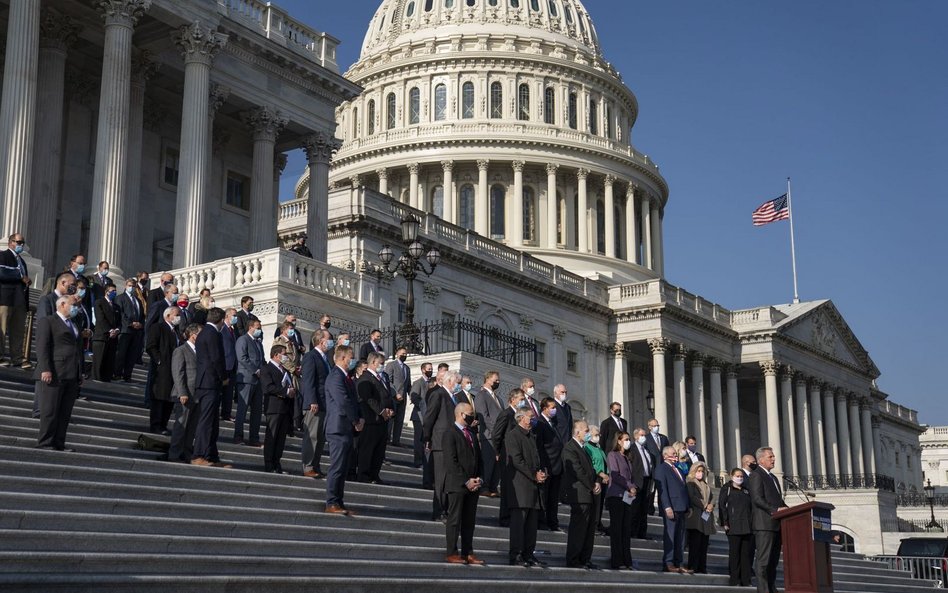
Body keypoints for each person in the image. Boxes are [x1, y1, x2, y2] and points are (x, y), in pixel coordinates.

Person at [34, 296, 82, 451]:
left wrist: (79, 373)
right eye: (74, 305)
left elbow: (76, 350)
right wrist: (45, 369)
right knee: (50, 410)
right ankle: (45, 442)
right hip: (54, 372)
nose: (77, 308)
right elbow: (42, 347)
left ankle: (59, 442)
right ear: (62, 304)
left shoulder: (73, 324)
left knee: (64, 412)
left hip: (71, 374)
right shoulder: (48, 321)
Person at [442, 401, 485, 565]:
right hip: (458, 484)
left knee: (469, 521)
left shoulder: (472, 434)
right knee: (454, 520)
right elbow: (451, 461)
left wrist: (479, 478)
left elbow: (478, 458)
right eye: (469, 413)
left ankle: (468, 552)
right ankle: (452, 552)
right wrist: (466, 480)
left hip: (473, 485)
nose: (472, 416)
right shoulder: (450, 432)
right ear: (461, 414)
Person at [324, 344, 364, 515]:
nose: (352, 360)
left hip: (346, 428)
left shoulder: (346, 377)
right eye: (350, 357)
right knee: (337, 467)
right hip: (338, 427)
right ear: (342, 358)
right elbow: (343, 401)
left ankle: (339, 502)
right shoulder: (335, 377)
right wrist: (355, 420)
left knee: (343, 468)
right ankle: (331, 501)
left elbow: (354, 400)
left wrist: (360, 417)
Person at [504, 407, 547, 567]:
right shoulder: (513, 435)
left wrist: (541, 473)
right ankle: (515, 554)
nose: (533, 419)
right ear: (521, 418)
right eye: (530, 416)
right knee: (518, 524)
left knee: (531, 525)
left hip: (533, 486)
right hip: (520, 486)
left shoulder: (531, 436)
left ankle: (528, 554)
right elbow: (517, 460)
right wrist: (533, 474)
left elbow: (535, 459)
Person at [191, 308, 230, 467]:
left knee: (213, 421)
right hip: (209, 382)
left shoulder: (205, 332)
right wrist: (224, 377)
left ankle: (211, 455)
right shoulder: (213, 333)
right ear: (221, 320)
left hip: (208, 382)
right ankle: (199, 454)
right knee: (206, 421)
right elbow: (216, 358)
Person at [423, 370, 462, 521]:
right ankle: (438, 511)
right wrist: (427, 438)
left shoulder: (454, 398)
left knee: (449, 479)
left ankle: (446, 509)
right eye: (457, 382)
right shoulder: (438, 394)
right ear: (450, 381)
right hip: (440, 443)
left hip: (451, 443)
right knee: (441, 479)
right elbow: (429, 417)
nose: (458, 385)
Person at [749, 446, 788, 593]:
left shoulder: (773, 478)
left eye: (773, 456)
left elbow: (779, 501)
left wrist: (788, 509)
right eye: (770, 457)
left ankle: (772, 588)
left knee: (773, 561)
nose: (773, 459)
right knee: (763, 561)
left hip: (777, 524)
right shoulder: (756, 475)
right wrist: (775, 510)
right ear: (761, 460)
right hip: (764, 524)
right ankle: (763, 590)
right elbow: (757, 499)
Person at [562, 419, 600, 570]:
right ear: (577, 432)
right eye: (586, 431)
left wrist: (596, 481)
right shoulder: (570, 448)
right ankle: (574, 558)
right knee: (579, 528)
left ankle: (585, 558)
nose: (588, 433)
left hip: (589, 493)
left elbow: (591, 470)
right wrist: (591, 484)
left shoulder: (584, 448)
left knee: (589, 529)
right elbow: (577, 471)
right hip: (579, 493)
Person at [356, 351, 395, 484]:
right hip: (371, 420)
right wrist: (381, 411)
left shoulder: (382, 378)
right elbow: (368, 398)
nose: (382, 366)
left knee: (379, 451)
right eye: (381, 363)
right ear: (373, 362)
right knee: (367, 449)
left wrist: (390, 410)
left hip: (382, 421)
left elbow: (387, 396)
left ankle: (374, 474)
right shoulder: (365, 378)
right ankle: (364, 475)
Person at [167, 323, 202, 462]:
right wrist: (182, 392)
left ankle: (187, 453)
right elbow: (178, 373)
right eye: (200, 334)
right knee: (181, 426)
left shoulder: (200, 351)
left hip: (197, 395)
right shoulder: (181, 350)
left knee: (191, 427)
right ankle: (174, 454)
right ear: (193, 335)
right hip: (185, 394)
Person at [492, 388, 526, 528]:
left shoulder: (519, 415)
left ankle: (512, 516)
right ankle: (504, 517)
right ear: (512, 399)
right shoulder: (506, 414)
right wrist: (499, 451)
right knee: (507, 488)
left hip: (516, 457)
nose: (523, 401)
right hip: (507, 456)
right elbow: (497, 435)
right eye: (520, 399)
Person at [260, 344, 297, 474]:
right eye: (284, 354)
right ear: (276, 355)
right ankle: (269, 465)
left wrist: (291, 391)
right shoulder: (266, 368)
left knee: (281, 439)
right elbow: (268, 388)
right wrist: (285, 391)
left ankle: (277, 463)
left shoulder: (285, 371)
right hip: (273, 408)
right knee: (272, 438)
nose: (286, 357)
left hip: (285, 409)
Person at [655, 445, 691, 574]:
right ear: (665, 456)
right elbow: (662, 490)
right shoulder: (661, 469)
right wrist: (667, 506)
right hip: (672, 507)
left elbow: (684, 489)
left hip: (682, 507)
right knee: (670, 535)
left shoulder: (679, 469)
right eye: (673, 454)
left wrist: (688, 506)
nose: (675, 456)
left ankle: (679, 562)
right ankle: (668, 562)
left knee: (680, 538)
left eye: (676, 454)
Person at [300, 329, 332, 478]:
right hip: (314, 403)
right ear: (321, 341)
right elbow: (308, 380)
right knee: (312, 436)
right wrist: (312, 400)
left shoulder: (325, 358)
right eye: (329, 339)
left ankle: (316, 465)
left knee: (320, 438)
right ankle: (308, 466)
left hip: (324, 404)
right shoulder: (310, 357)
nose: (331, 342)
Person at [145, 306, 181, 435]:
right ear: (168, 315)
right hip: (162, 370)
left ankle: (164, 425)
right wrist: (159, 360)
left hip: (173, 369)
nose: (179, 318)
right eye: (176, 315)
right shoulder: (158, 327)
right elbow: (150, 346)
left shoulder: (176, 331)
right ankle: (156, 425)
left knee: (169, 398)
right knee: (159, 398)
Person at [0, 232, 32, 369]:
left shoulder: (21, 260)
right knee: (2, 328)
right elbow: (2, 272)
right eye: (19, 242)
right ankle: (0, 356)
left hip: (20, 300)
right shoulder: (3, 255)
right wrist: (20, 276)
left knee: (18, 331)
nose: (21, 245)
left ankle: (17, 358)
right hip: (5, 299)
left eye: (22, 243)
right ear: (10, 242)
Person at [605, 431, 636, 570]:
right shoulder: (613, 455)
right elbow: (615, 475)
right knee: (617, 529)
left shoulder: (627, 457)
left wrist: (633, 487)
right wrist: (629, 486)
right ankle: (617, 560)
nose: (628, 442)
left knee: (626, 529)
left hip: (627, 497)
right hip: (616, 496)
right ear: (618, 441)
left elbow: (630, 477)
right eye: (626, 439)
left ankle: (627, 560)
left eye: (629, 439)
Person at [719, 467, 754, 586]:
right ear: (732, 476)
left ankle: (746, 579)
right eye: (737, 476)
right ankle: (734, 579)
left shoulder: (746, 490)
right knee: (735, 554)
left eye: (741, 476)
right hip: (733, 525)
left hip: (747, 525)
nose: (739, 478)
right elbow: (722, 506)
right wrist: (725, 522)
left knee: (746, 554)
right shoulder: (727, 489)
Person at [233, 319, 264, 447]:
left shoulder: (259, 343)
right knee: (242, 410)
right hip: (246, 379)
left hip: (258, 381)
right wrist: (255, 370)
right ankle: (238, 436)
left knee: (257, 412)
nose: (259, 329)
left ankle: (254, 438)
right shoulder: (243, 339)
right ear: (250, 327)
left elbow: (262, 359)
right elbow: (242, 358)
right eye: (257, 327)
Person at [535, 397, 563, 531]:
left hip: (557, 466)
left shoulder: (553, 423)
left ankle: (553, 522)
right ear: (544, 409)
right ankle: (542, 521)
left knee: (553, 498)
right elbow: (539, 447)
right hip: (547, 465)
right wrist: (542, 467)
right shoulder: (540, 423)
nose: (554, 410)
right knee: (544, 496)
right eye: (552, 407)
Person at [472, 370, 503, 497]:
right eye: (495, 380)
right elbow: (484, 416)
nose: (498, 382)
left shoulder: (498, 398)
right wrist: (495, 432)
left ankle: (493, 486)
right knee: (488, 462)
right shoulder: (481, 395)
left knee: (497, 464)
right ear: (488, 379)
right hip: (488, 436)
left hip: (498, 437)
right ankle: (484, 486)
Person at [685, 461, 716, 574]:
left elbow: (712, 497)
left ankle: (702, 567)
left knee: (704, 544)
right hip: (696, 516)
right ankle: (693, 565)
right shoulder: (690, 482)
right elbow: (692, 497)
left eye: (702, 471)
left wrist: (711, 504)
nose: (700, 473)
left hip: (705, 518)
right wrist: (704, 505)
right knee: (695, 544)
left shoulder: (706, 485)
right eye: (698, 471)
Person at [114, 278, 145, 383]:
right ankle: (117, 374)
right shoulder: (120, 298)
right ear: (126, 285)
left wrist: (140, 324)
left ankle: (127, 375)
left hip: (136, 332)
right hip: (125, 330)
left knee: (132, 355)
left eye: (133, 286)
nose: (131, 288)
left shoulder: (138, 300)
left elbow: (141, 315)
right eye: (130, 285)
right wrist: (131, 324)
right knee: (121, 353)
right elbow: (120, 314)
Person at [628, 427, 655, 539]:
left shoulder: (646, 450)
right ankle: (633, 532)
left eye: (644, 435)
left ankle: (642, 533)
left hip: (647, 481)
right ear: (636, 436)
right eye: (642, 435)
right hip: (636, 481)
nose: (644, 437)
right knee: (635, 508)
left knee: (644, 509)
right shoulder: (632, 449)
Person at [90, 280, 120, 382]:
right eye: (112, 291)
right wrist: (109, 330)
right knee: (98, 361)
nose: (114, 293)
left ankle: (106, 379)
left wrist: (117, 330)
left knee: (109, 361)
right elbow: (100, 318)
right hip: (101, 337)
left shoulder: (116, 306)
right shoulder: (99, 302)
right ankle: (96, 380)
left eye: (115, 291)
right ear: (106, 292)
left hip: (113, 338)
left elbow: (119, 321)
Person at [583, 425, 609, 536]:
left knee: (600, 503)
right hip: (595, 477)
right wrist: (602, 474)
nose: (598, 436)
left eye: (599, 434)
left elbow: (604, 462)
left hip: (603, 478)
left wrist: (607, 475)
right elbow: (592, 464)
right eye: (596, 434)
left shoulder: (598, 447)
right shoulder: (587, 447)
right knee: (595, 504)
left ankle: (598, 523)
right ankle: (593, 525)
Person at [383, 347, 410, 447]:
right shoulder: (391, 365)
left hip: (403, 398)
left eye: (406, 354)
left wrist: (411, 395)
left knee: (399, 419)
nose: (404, 355)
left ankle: (396, 440)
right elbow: (388, 381)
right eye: (402, 353)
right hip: (393, 397)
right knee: (390, 419)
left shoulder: (407, 368)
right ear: (397, 353)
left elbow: (408, 384)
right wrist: (395, 393)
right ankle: (387, 438)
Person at [409, 361, 433, 468]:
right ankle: (418, 461)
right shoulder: (418, 382)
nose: (431, 371)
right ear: (423, 370)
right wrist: (424, 407)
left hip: (428, 416)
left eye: (431, 369)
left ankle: (426, 461)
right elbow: (414, 397)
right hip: (418, 415)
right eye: (429, 369)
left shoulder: (432, 383)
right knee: (419, 439)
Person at [219, 306, 238, 423]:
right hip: (223, 364)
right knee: (220, 391)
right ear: (226, 316)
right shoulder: (221, 329)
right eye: (234, 315)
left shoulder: (233, 330)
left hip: (232, 366)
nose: (236, 318)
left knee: (229, 392)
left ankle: (226, 413)